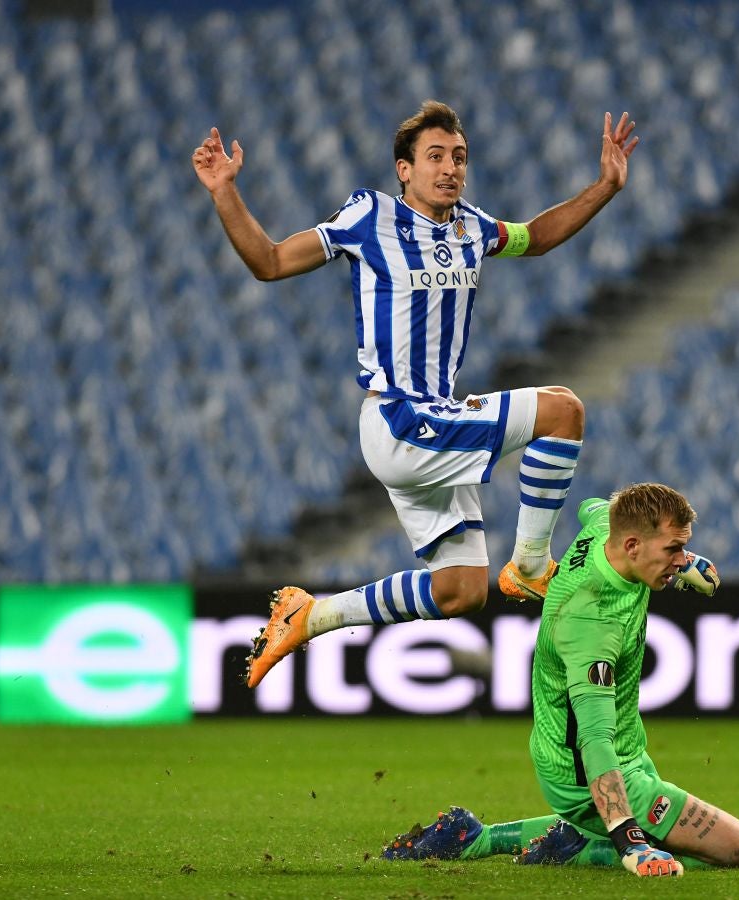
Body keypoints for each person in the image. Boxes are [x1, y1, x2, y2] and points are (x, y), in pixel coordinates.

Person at [193, 99, 656, 689]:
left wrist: (605, 188)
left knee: (460, 591)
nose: (450, 169)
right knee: (563, 410)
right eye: (435, 156)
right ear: (403, 169)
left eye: (459, 157)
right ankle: (533, 566)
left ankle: (312, 615)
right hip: (398, 419)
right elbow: (271, 261)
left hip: (432, 423)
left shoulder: (471, 227)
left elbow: (536, 238)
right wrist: (224, 191)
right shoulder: (370, 216)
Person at [380, 484, 739, 879]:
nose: (680, 560)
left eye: (683, 547)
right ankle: (583, 847)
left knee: (688, 841)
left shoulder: (604, 529)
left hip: (628, 752)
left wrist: (681, 562)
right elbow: (593, 741)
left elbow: (592, 506)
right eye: (672, 550)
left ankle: (477, 836)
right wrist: (629, 842)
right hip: (583, 773)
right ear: (632, 546)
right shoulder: (590, 621)